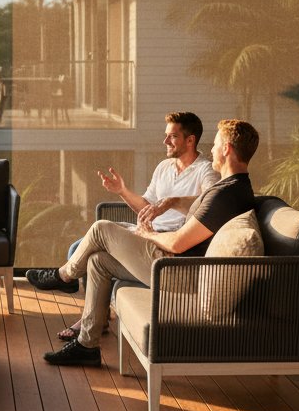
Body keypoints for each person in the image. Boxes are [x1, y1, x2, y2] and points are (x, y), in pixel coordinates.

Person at [27, 119, 260, 366]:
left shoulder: (225, 194)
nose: (211, 149)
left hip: (176, 271)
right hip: (176, 265)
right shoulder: (232, 188)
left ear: (226, 149)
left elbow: (178, 244)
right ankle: (87, 345)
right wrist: (171, 201)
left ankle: (64, 276)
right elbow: (196, 211)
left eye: (215, 144)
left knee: (101, 228)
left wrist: (146, 234)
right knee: (98, 261)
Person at [55, 111, 221, 341]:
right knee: (78, 248)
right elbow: (146, 207)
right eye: (166, 135)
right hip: (145, 231)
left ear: (190, 140)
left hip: (165, 239)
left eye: (172, 136)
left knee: (98, 234)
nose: (165, 141)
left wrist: (173, 201)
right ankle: (95, 317)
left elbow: (208, 203)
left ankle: (65, 281)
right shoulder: (164, 167)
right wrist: (122, 191)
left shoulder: (206, 170)